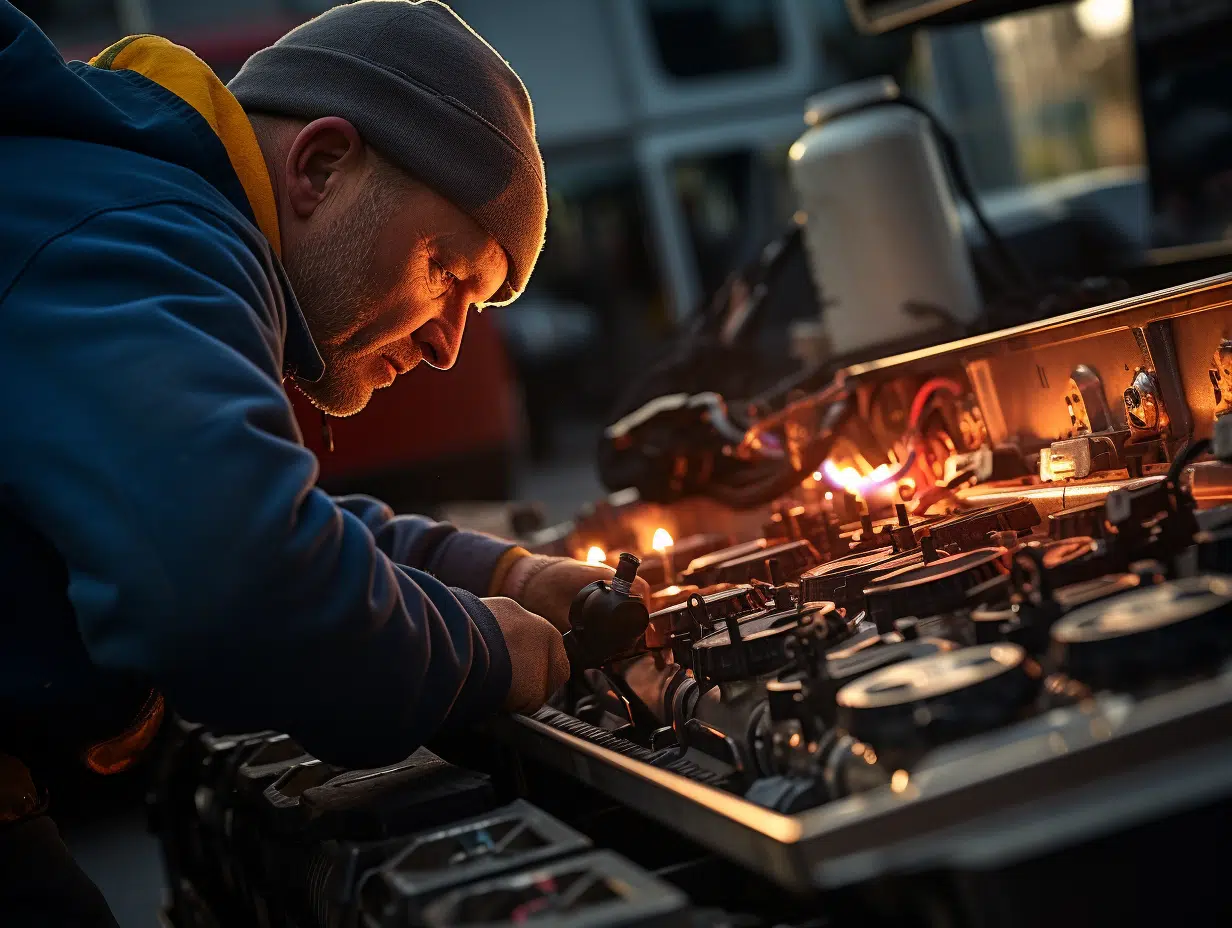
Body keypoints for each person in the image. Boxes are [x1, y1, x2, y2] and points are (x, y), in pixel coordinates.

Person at [0, 1, 646, 923]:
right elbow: (235, 584)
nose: (449, 349)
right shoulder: (146, 235)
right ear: (321, 165)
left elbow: (257, 521)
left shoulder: (119, 202)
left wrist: (502, 571)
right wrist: (485, 654)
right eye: (446, 276)